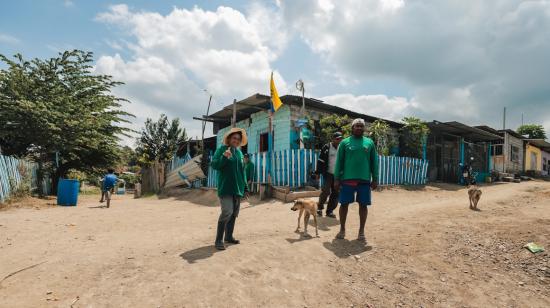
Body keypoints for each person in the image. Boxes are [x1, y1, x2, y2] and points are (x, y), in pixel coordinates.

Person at [333, 119, 378, 243]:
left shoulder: (369, 143)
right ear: (352, 128)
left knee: (363, 205)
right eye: (356, 126)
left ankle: (361, 231)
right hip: (347, 179)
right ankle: (342, 229)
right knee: (344, 204)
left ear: (364, 129)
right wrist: (336, 178)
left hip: (364, 180)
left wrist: (375, 178)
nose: (359, 128)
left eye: (361, 126)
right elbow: (339, 162)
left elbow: (374, 161)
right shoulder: (344, 143)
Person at [210, 127, 249, 250]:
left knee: (233, 214)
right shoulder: (221, 150)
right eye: (234, 138)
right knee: (227, 211)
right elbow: (214, 165)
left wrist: (246, 187)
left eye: (238, 139)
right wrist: (224, 157)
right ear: (229, 139)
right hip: (225, 187)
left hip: (238, 188)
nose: (236, 141)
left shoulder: (239, 153)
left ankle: (229, 237)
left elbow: (242, 171)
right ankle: (218, 240)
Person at [315, 131, 343, 218]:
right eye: (337, 139)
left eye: (340, 139)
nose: (339, 140)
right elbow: (321, 160)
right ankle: (319, 208)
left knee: (336, 193)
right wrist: (318, 172)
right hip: (328, 173)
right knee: (326, 191)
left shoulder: (342, 148)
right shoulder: (327, 147)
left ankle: (329, 211)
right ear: (333, 139)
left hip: (338, 175)